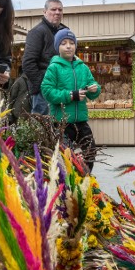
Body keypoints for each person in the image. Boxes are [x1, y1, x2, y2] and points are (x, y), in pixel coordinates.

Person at [40, 29, 101, 172]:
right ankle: (67, 183)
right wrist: (71, 95)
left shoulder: (83, 67)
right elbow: (47, 91)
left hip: (80, 120)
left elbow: (93, 89)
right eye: (63, 43)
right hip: (61, 122)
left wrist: (95, 89)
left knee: (90, 151)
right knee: (65, 156)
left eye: (72, 43)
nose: (68, 46)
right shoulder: (54, 67)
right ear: (58, 47)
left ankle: (84, 178)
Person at [22, 0, 67, 114]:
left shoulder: (65, 32)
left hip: (63, 89)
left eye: (60, 10)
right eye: (53, 9)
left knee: (62, 127)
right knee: (43, 128)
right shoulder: (37, 32)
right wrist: (44, 85)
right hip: (43, 93)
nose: (57, 12)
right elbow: (28, 63)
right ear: (45, 12)